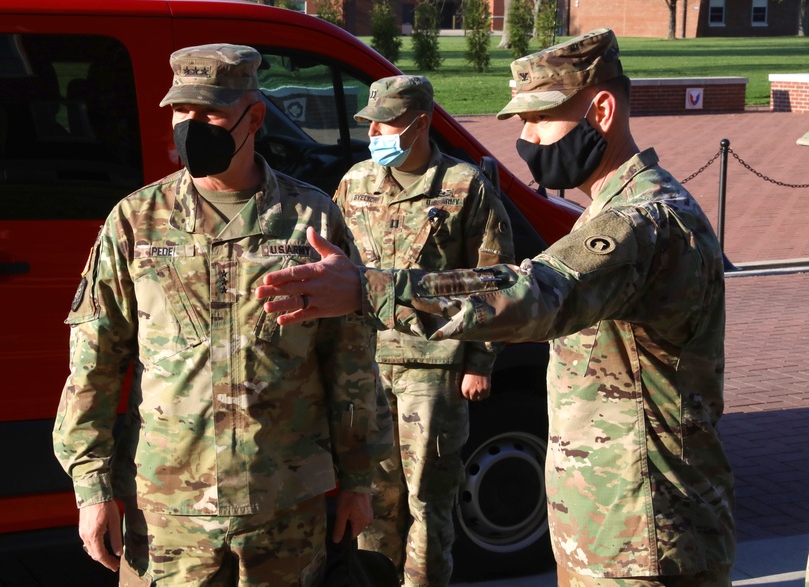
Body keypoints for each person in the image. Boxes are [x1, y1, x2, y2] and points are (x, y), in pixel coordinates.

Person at [257, 29, 735, 586]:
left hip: (647, 534)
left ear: (600, 109)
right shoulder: (614, 212)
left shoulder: (641, 222)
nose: (527, 140)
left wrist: (370, 289)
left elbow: (532, 292)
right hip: (619, 525)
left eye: (539, 120)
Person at [53, 43, 392, 586]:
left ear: (253, 116)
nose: (192, 125)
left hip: (283, 501)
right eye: (181, 112)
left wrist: (358, 477)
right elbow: (94, 361)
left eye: (209, 112)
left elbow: (349, 355)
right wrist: (92, 489)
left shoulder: (310, 219)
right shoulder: (137, 221)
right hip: (168, 506)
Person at [332, 75, 514, 587]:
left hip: (432, 369)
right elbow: (335, 264)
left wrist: (480, 361)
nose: (375, 134)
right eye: (370, 124)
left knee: (428, 502)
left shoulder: (464, 186)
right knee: (371, 499)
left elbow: (495, 278)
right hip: (366, 367)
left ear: (420, 122)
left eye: (386, 123)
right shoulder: (355, 183)